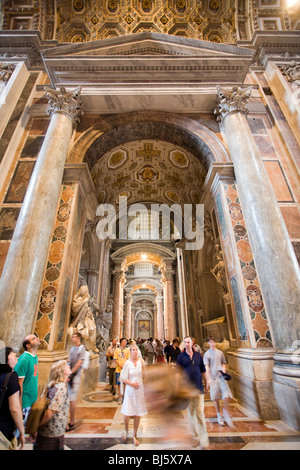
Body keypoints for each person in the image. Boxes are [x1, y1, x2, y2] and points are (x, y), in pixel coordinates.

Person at [176, 336, 209, 449]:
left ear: (192, 343)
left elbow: (203, 370)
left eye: (188, 342)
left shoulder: (198, 355)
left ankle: (204, 439)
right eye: (185, 342)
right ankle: (195, 436)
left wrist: (207, 382)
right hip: (187, 389)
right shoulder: (181, 357)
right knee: (191, 413)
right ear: (183, 344)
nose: (187, 344)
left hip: (199, 387)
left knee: (200, 413)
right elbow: (178, 373)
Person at [35, 360, 71, 450]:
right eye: (66, 366)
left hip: (47, 431)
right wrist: (36, 427)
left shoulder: (51, 385)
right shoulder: (61, 388)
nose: (69, 366)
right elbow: (49, 413)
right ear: (61, 371)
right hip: (53, 432)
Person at [120, 344, 147, 446]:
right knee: (127, 413)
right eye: (133, 350)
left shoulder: (141, 362)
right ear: (130, 352)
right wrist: (131, 384)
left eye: (136, 350)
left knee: (138, 413)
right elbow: (123, 378)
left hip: (139, 391)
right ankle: (125, 430)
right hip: (130, 391)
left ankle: (135, 435)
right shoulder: (127, 363)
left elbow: (145, 375)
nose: (135, 351)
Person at [203, 338, 234, 428]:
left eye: (214, 342)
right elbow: (206, 367)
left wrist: (223, 369)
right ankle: (218, 414)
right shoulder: (207, 354)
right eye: (211, 342)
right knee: (216, 398)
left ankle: (225, 411)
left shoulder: (220, 352)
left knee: (226, 396)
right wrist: (208, 379)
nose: (212, 344)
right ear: (208, 343)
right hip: (213, 378)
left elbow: (223, 362)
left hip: (221, 377)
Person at [0, 347, 25, 450]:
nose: (15, 356)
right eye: (12, 354)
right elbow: (14, 408)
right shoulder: (11, 377)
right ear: (6, 358)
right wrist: (22, 431)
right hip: (3, 428)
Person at [14, 334, 40, 429]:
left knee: (28, 430)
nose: (37, 338)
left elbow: (33, 376)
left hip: (32, 400)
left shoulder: (34, 357)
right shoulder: (24, 359)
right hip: (24, 402)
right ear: (28, 346)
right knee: (19, 430)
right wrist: (19, 406)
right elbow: (18, 384)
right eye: (33, 338)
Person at [66, 332, 86, 432]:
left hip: (76, 376)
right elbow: (69, 360)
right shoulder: (73, 348)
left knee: (72, 399)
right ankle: (67, 419)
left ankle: (71, 421)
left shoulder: (82, 348)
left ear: (78, 338)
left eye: (74, 336)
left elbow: (79, 363)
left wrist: (70, 372)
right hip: (70, 374)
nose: (72, 338)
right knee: (69, 399)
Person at [114, 338, 130, 405]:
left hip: (125, 370)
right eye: (124, 341)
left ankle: (125, 397)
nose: (125, 342)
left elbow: (128, 359)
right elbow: (115, 359)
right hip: (118, 369)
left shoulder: (127, 350)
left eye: (126, 341)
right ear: (121, 342)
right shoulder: (117, 350)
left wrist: (125, 366)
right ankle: (120, 397)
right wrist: (120, 366)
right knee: (119, 384)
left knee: (125, 384)